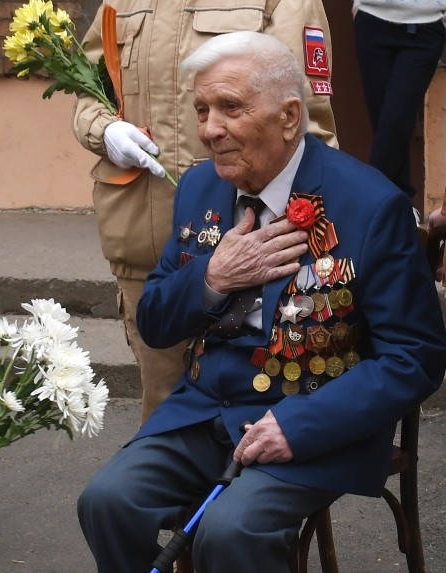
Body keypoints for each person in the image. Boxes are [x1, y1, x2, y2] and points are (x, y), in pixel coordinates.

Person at [76, 31, 446, 573]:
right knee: (107, 502)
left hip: (312, 418)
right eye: (201, 110)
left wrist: (299, 426)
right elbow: (154, 320)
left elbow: (415, 357)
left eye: (230, 108)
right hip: (204, 414)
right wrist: (212, 277)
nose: (209, 130)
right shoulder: (200, 187)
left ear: (290, 117)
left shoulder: (370, 205)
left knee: (229, 533)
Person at [72, 0, 339, 422]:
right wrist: (104, 130)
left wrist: (299, 233)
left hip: (251, 242)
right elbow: (88, 88)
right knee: (163, 411)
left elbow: (307, 121)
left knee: (256, 414)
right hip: (143, 231)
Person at [352, 0, 446, 201]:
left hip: (427, 25)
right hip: (372, 19)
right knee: (386, 127)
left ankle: (367, 202)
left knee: (396, 121)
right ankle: (401, 203)